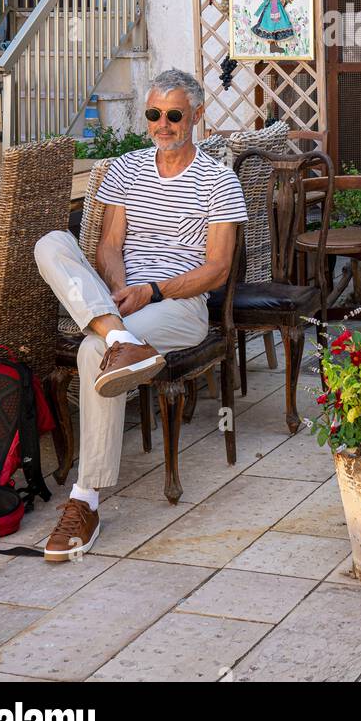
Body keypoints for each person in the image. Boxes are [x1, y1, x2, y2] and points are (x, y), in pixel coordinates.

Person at [34, 68, 246, 562]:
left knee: (91, 351)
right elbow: (109, 246)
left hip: (178, 306)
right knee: (51, 242)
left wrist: (149, 291)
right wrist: (116, 292)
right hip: (120, 300)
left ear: (196, 116)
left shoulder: (219, 179)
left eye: (174, 115)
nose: (162, 124)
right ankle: (115, 338)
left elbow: (216, 269)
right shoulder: (127, 168)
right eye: (154, 114)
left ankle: (86, 498)